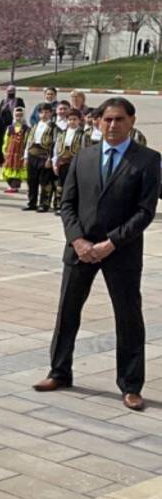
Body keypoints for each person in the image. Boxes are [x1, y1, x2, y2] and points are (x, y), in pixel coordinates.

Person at [35, 97, 160, 411]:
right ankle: (59, 371)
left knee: (129, 318)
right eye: (107, 119)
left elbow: (145, 212)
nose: (112, 126)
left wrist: (111, 243)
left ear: (131, 121)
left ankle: (131, 386)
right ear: (98, 121)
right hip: (81, 250)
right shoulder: (83, 157)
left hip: (122, 251)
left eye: (119, 119)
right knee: (68, 313)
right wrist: (77, 240)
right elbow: (67, 204)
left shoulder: (147, 160)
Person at [51, 107, 87, 214]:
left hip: (75, 163)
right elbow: (56, 149)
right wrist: (55, 163)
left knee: (73, 186)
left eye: (74, 119)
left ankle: (72, 208)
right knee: (60, 186)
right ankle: (59, 206)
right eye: (70, 119)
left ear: (79, 120)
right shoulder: (62, 134)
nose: (72, 122)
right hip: (62, 163)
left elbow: (84, 150)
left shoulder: (82, 134)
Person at [25, 103, 57, 212]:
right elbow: (28, 142)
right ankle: (31, 202)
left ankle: (44, 204)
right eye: (42, 112)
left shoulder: (53, 128)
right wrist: (25, 157)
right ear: (38, 114)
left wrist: (51, 159)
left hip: (45, 156)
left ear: (51, 113)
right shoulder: (34, 126)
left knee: (45, 182)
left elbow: (55, 144)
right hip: (32, 155)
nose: (44, 115)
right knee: (31, 181)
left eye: (47, 112)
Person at [0, 107, 29, 195]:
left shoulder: (26, 128)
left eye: (20, 115)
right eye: (17, 115)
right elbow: (6, 140)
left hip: (20, 152)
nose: (18, 117)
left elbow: (27, 141)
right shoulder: (10, 128)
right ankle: (11, 184)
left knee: (18, 168)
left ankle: (15, 186)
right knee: (9, 167)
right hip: (10, 152)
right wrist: (4, 150)